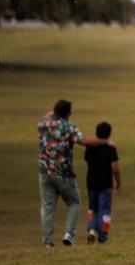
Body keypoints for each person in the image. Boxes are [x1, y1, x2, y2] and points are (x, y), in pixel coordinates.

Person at [38, 100, 111, 247]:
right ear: (68, 114)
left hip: (44, 173)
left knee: (47, 207)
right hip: (63, 173)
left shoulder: (43, 124)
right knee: (74, 202)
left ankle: (48, 242)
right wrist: (104, 142)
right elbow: (84, 142)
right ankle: (69, 234)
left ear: (55, 111)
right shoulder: (69, 127)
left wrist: (55, 111)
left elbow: (47, 115)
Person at [84, 121, 121, 244]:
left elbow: (87, 161)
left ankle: (92, 230)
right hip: (105, 184)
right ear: (109, 134)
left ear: (96, 133)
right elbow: (115, 168)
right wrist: (118, 183)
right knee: (104, 210)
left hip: (91, 183)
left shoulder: (90, 148)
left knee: (93, 208)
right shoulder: (110, 148)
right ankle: (102, 236)